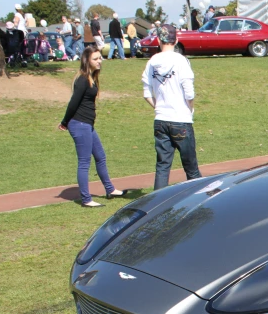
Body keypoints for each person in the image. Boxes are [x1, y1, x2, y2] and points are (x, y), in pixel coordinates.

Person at [58, 47, 126, 207]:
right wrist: (65, 122)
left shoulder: (91, 78)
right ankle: (86, 199)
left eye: (100, 58)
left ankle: (110, 189)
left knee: (100, 156)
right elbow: (73, 103)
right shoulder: (82, 79)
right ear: (87, 60)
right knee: (84, 162)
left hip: (87, 125)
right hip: (79, 124)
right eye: (96, 59)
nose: (99, 61)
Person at [141, 25, 202, 190]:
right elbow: (189, 93)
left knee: (162, 166)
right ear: (175, 40)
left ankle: (157, 205)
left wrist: (158, 107)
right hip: (180, 119)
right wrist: (190, 109)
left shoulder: (152, 62)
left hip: (161, 119)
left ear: (159, 40)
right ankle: (198, 201)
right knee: (191, 168)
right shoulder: (181, 60)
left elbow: (147, 92)